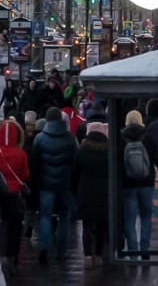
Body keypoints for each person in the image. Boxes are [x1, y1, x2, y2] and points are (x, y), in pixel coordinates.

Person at [121, 109, 158, 259]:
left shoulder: (121, 138)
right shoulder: (149, 138)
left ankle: (132, 252)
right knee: (146, 216)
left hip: (128, 184)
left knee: (129, 218)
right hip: (147, 184)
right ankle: (145, 250)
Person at [30, 106, 78, 263]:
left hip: (46, 184)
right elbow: (75, 163)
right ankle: (61, 251)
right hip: (65, 184)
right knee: (64, 217)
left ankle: (44, 248)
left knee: (45, 216)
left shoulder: (40, 138)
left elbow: (34, 164)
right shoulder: (70, 138)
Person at [0, 119, 30, 273]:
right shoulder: (21, 153)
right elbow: (25, 174)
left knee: (0, 227)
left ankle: (0, 255)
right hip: (15, 195)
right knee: (15, 228)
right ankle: (13, 255)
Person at [71, 122, 110, 269]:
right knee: (101, 226)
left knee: (87, 227)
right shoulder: (108, 150)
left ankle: (87, 256)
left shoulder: (83, 149)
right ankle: (99, 255)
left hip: (86, 191)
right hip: (104, 192)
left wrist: (75, 190)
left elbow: (74, 173)